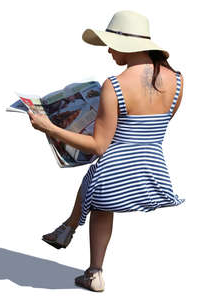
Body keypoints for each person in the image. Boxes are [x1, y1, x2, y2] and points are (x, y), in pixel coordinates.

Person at [27, 10, 185, 292]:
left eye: (112, 44)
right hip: (152, 174)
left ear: (127, 44)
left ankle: (93, 268)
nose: (109, 51)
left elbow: (100, 146)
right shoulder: (179, 81)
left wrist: (49, 128)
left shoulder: (115, 85)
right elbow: (153, 127)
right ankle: (67, 229)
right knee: (97, 179)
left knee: (100, 185)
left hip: (115, 179)